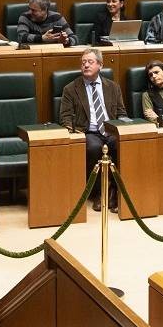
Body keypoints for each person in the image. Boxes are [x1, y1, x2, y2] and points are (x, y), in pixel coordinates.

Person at [57, 48, 126, 211]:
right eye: (83, 63)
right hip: (88, 132)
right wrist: (73, 132)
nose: (85, 65)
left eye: (90, 62)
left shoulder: (113, 87)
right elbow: (64, 117)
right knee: (94, 148)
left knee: (121, 144)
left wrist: (123, 127)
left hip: (110, 130)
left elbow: (122, 113)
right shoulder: (71, 89)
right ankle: (97, 193)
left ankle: (115, 192)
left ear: (100, 65)